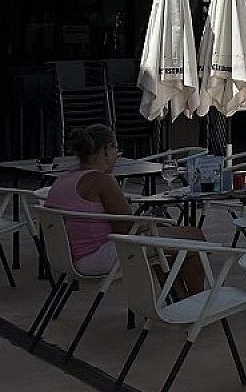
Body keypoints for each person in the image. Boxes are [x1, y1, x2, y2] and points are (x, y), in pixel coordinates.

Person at [43, 124, 206, 292]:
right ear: (106, 150)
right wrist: (145, 222)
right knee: (194, 237)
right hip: (98, 257)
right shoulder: (102, 181)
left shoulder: (63, 179)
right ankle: (195, 303)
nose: (117, 155)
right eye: (116, 148)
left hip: (68, 257)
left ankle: (178, 299)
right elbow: (127, 229)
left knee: (164, 244)